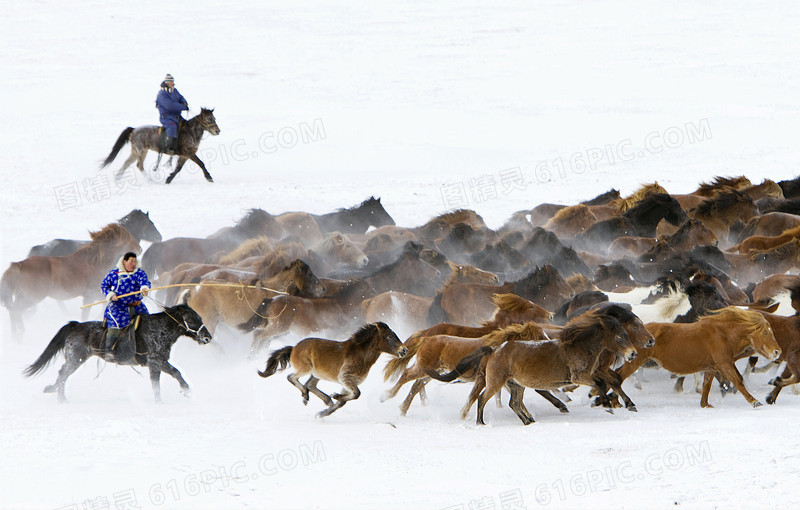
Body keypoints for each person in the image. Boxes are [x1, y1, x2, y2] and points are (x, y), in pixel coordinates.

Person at [101, 252, 151, 358]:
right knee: (117, 321)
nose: (133, 264)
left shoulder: (139, 273)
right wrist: (111, 295)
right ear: (125, 261)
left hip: (136, 305)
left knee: (148, 323)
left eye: (135, 261)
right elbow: (104, 286)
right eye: (131, 261)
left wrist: (144, 288)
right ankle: (109, 349)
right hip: (118, 306)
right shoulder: (114, 274)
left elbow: (144, 282)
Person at [155, 73, 189, 155]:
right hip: (167, 117)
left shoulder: (174, 91)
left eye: (173, 82)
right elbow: (169, 105)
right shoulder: (162, 94)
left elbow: (180, 97)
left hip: (177, 116)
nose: (173, 83)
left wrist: (184, 102)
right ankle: (169, 147)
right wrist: (182, 107)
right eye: (171, 82)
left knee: (186, 125)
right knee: (172, 127)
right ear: (167, 82)